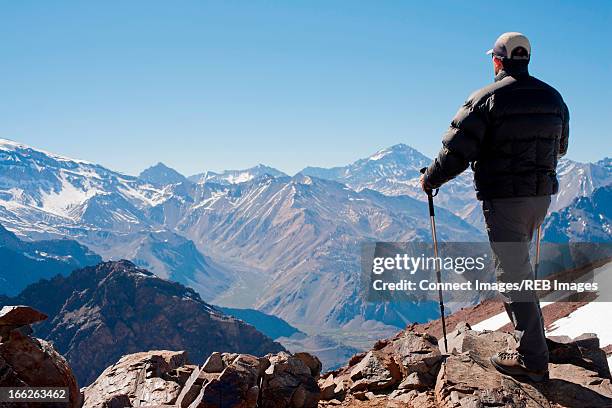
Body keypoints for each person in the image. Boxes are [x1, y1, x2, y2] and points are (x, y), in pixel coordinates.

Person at [420, 32, 569, 382]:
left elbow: (457, 151)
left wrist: (430, 179)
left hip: (504, 200)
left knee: (513, 274)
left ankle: (532, 359)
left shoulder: (485, 99)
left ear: (498, 61)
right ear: (527, 59)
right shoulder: (554, 98)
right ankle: (534, 341)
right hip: (540, 198)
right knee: (521, 268)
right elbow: (560, 148)